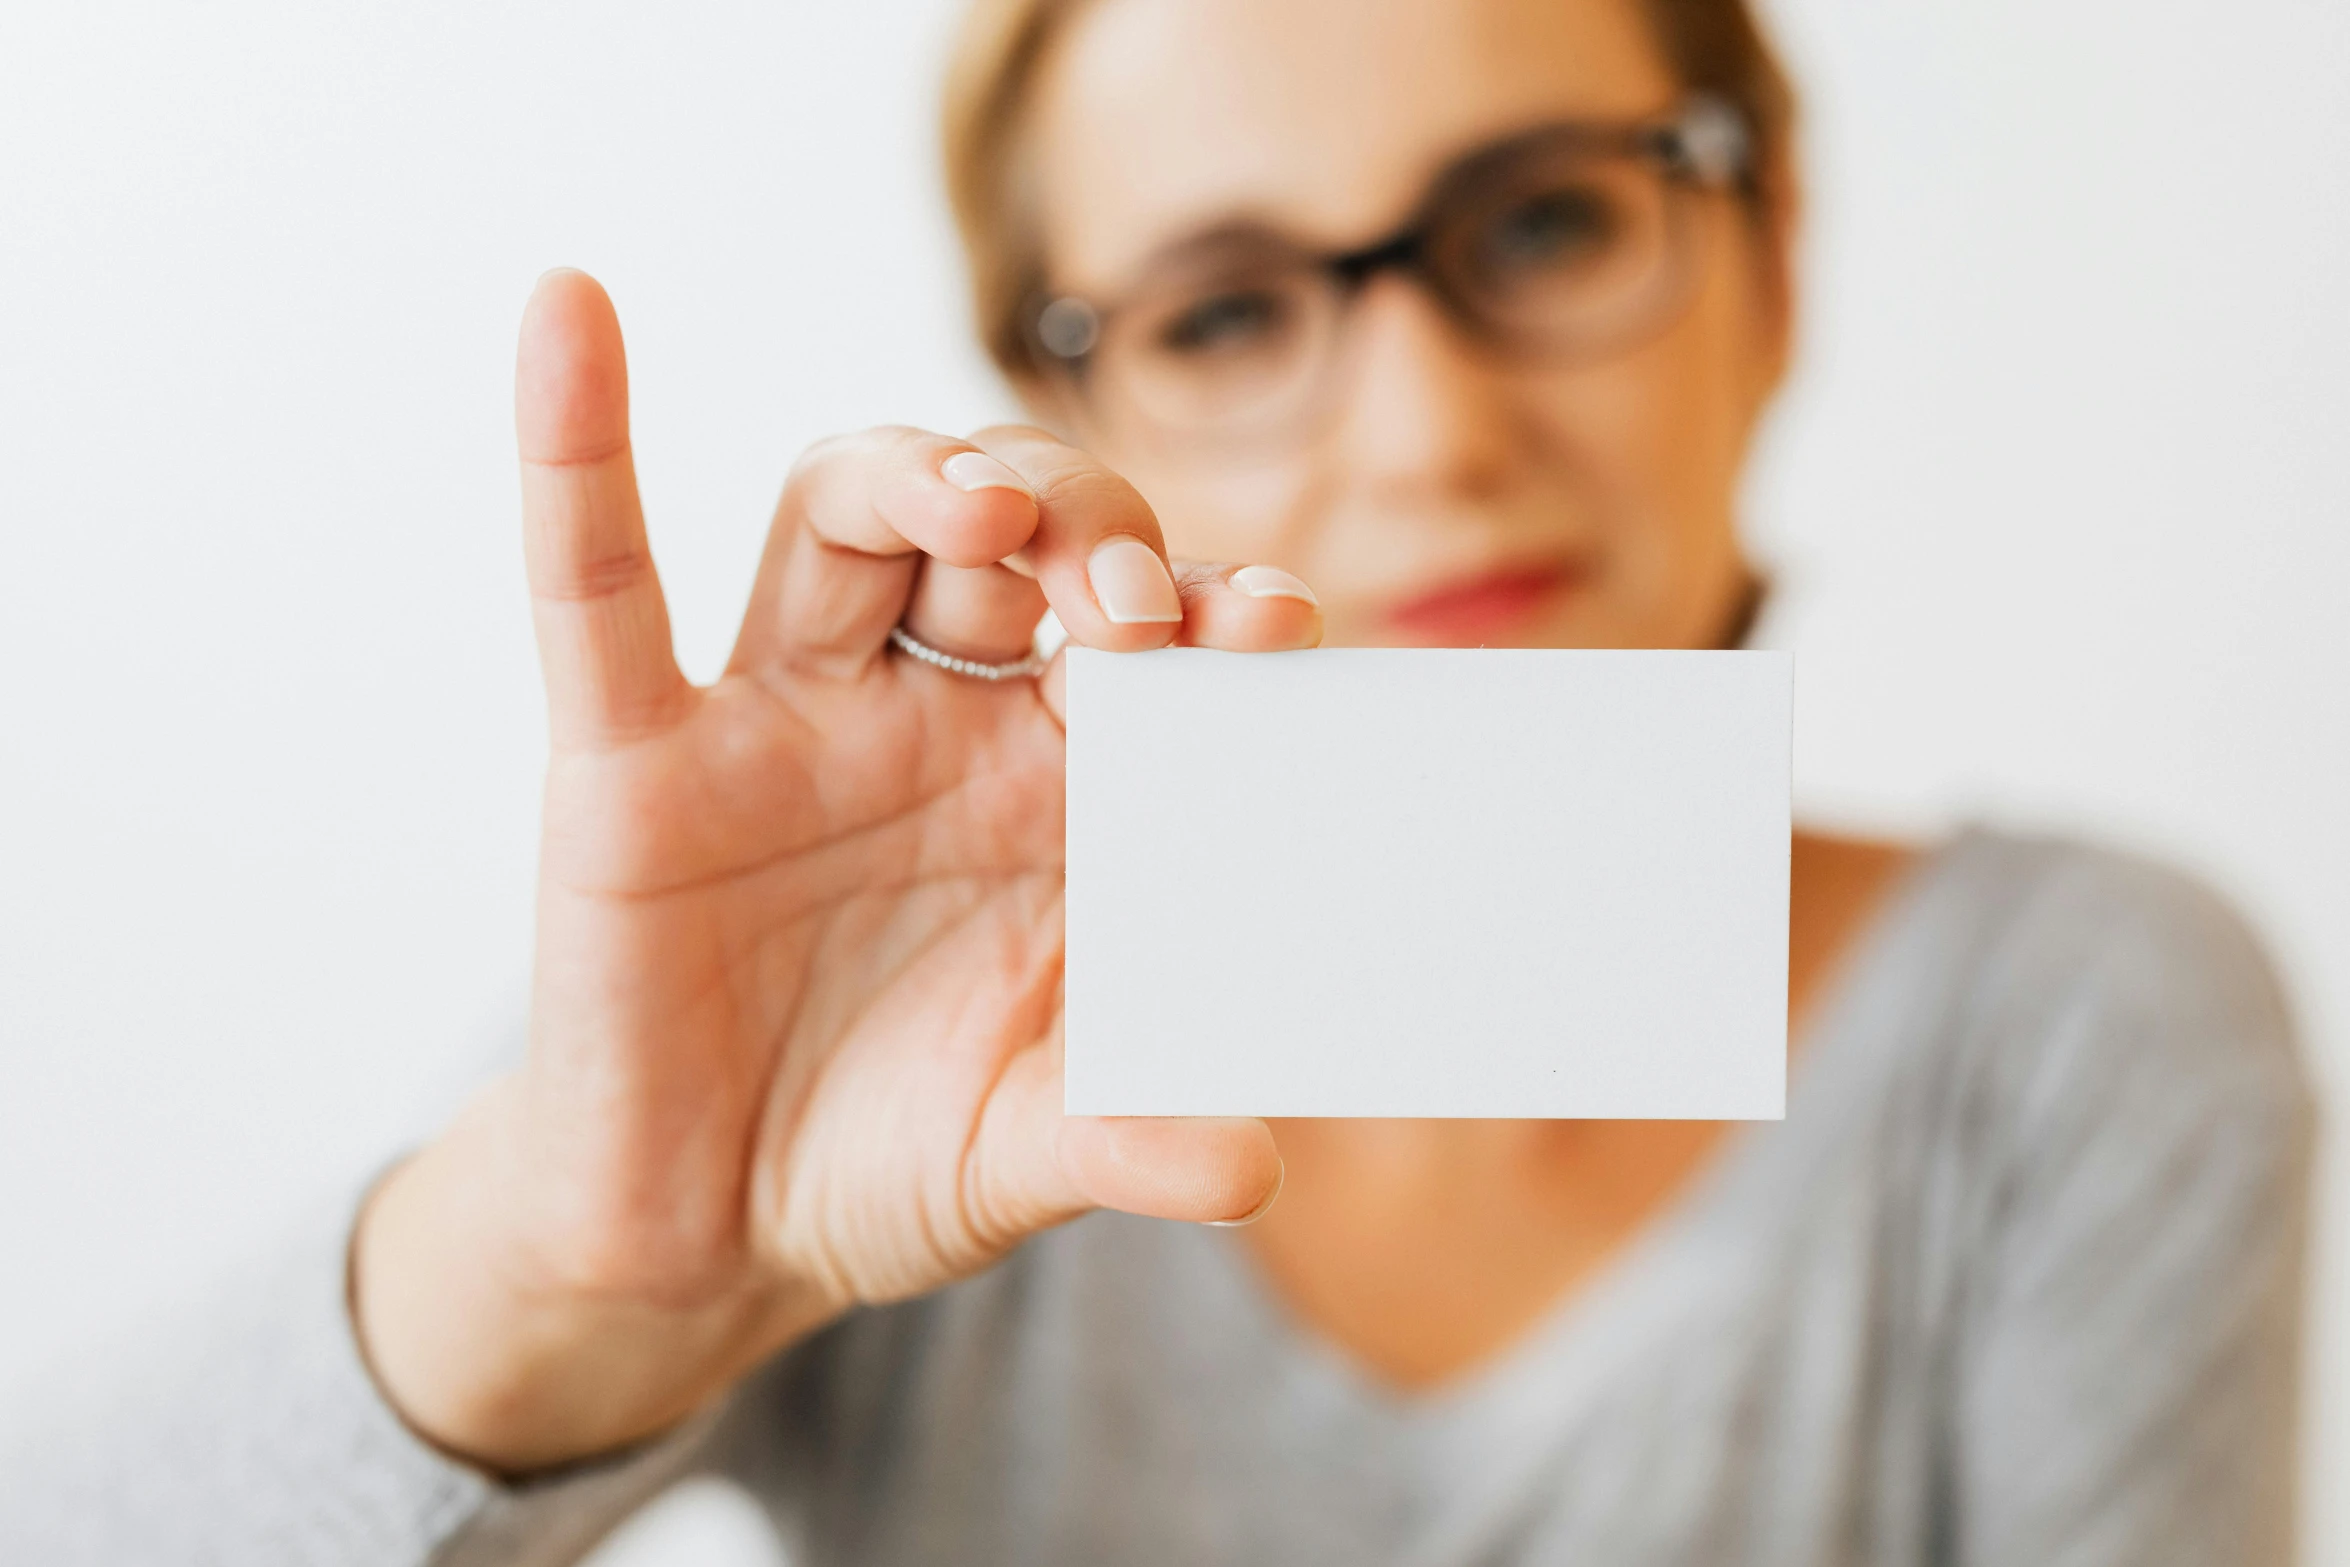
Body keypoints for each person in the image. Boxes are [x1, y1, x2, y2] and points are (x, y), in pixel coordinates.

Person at [3, 0, 2314, 1561]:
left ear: (1768, 257)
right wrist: (569, 1273)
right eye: (1223, 311)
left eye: (1541, 221)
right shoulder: (888, 996)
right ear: (1058, 394)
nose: (1426, 436)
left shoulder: (2075, 1027)